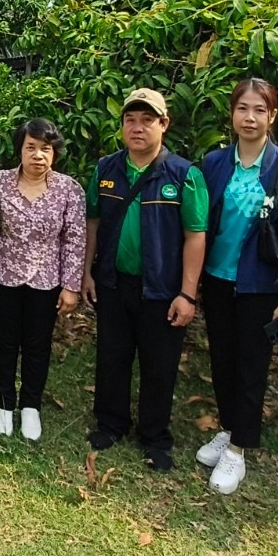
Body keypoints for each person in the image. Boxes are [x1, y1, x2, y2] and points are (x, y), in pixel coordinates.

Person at [81, 88, 208, 472]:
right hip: (114, 282)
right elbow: (93, 223)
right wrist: (87, 272)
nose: (137, 128)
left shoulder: (185, 175)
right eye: (130, 120)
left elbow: (195, 235)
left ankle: (155, 437)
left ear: (163, 124)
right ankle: (110, 423)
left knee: (159, 364)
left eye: (147, 120)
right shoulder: (106, 169)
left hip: (163, 289)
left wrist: (187, 293)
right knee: (112, 356)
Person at [196, 78, 278, 494]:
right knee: (223, 360)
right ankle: (229, 428)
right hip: (218, 278)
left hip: (260, 284)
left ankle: (238, 450)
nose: (250, 117)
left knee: (250, 366)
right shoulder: (215, 163)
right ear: (232, 114)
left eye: (259, 110)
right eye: (243, 108)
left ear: (272, 116)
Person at [0, 118, 85, 441]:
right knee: (4, 342)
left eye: (45, 149)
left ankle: (30, 407)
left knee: (37, 346)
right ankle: (3, 403)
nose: (38, 155)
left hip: (46, 280)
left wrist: (70, 285)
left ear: (54, 153)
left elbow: (75, 239)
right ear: (20, 150)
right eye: (31, 148)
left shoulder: (69, 190)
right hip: (3, 277)